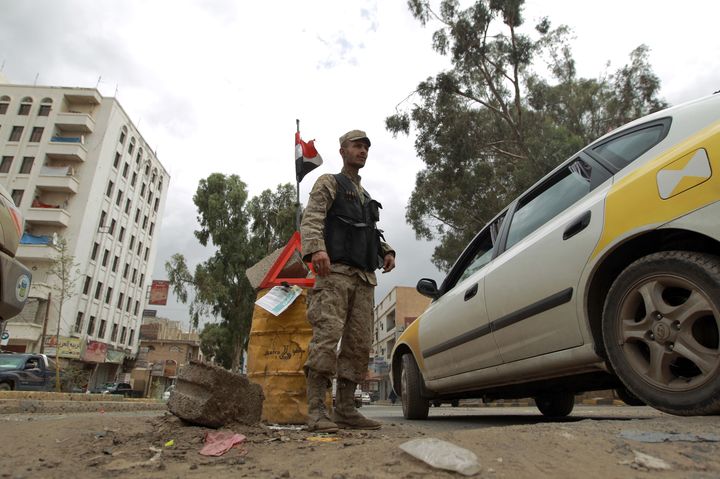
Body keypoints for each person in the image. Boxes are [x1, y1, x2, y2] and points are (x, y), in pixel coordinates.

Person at [301, 129, 396, 432]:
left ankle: (344, 409)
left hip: (364, 280)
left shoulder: (365, 196)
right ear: (343, 150)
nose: (363, 151)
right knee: (327, 338)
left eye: (366, 147)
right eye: (357, 146)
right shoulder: (330, 182)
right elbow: (313, 216)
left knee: (358, 345)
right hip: (335, 275)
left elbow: (368, 230)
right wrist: (316, 248)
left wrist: (386, 251)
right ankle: (316, 411)